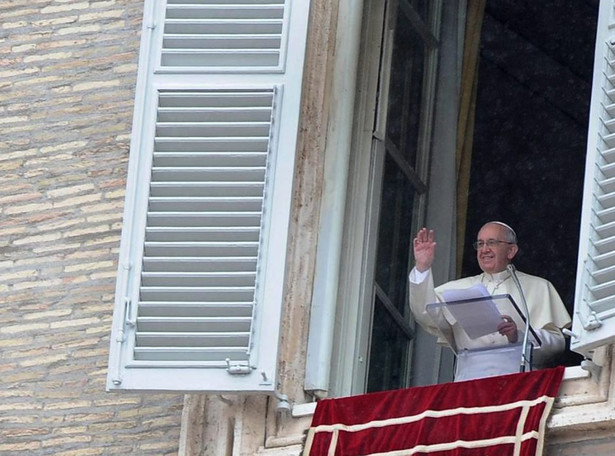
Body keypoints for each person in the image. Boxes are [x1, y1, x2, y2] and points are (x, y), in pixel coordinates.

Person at [409, 221, 571, 380]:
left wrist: (520, 336)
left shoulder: (539, 286)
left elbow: (557, 345)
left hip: (520, 381)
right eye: (480, 244)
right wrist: (422, 268)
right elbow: (425, 313)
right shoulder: (457, 288)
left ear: (511, 250)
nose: (484, 249)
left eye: (491, 243)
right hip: (470, 382)